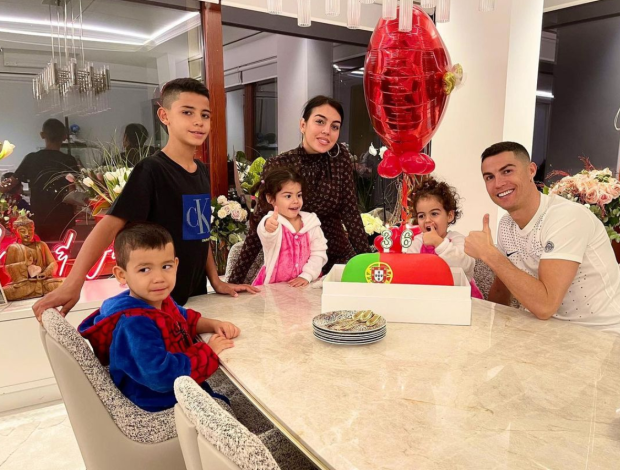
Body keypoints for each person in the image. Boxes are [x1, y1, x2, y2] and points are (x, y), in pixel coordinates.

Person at [33, 78, 258, 320]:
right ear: (164, 116)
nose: (198, 121)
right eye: (187, 112)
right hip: (157, 304)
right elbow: (108, 226)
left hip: (194, 298)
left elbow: (199, 234)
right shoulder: (151, 170)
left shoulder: (201, 171)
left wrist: (216, 280)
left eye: (205, 115)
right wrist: (73, 282)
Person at [79, 223, 238, 412]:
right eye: (144, 270)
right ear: (121, 275)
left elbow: (184, 319)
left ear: (176, 265)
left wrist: (213, 324)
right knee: (223, 413)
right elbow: (162, 376)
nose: (159, 278)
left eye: (166, 266)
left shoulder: (159, 300)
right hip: (154, 402)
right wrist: (207, 352)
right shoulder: (134, 323)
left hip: (173, 390)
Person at [465, 141, 620, 331]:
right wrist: (486, 329)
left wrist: (489, 254)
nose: (498, 183)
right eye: (489, 177)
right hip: (548, 330)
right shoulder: (506, 224)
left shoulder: (566, 217)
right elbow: (502, 288)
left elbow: (545, 306)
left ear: (531, 170)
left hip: (603, 333)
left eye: (507, 171)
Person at [228, 95, 369, 284]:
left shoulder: (340, 157)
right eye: (320, 121)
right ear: (303, 125)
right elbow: (259, 222)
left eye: (335, 126)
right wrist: (234, 281)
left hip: (338, 257)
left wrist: (368, 262)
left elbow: (350, 212)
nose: (327, 131)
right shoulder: (280, 164)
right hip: (296, 268)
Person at [404, 178, 482, 299]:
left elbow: (466, 265)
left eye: (434, 214)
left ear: (449, 216)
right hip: (427, 297)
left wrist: (438, 243)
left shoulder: (457, 239)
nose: (427, 220)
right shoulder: (418, 241)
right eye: (421, 216)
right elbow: (408, 267)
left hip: (459, 299)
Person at [253, 167, 327, 287]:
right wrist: (268, 227)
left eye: (299, 195)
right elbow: (267, 235)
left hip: (307, 284)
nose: (296, 201)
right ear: (270, 198)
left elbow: (319, 253)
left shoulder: (311, 222)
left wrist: (307, 275)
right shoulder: (272, 222)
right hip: (275, 287)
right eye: (288, 196)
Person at [13, 119, 78, 241]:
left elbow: (13, 181)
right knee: (63, 248)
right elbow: (72, 191)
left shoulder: (31, 159)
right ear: (64, 137)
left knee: (40, 248)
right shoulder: (69, 160)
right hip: (64, 216)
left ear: (42, 135)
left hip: (39, 216)